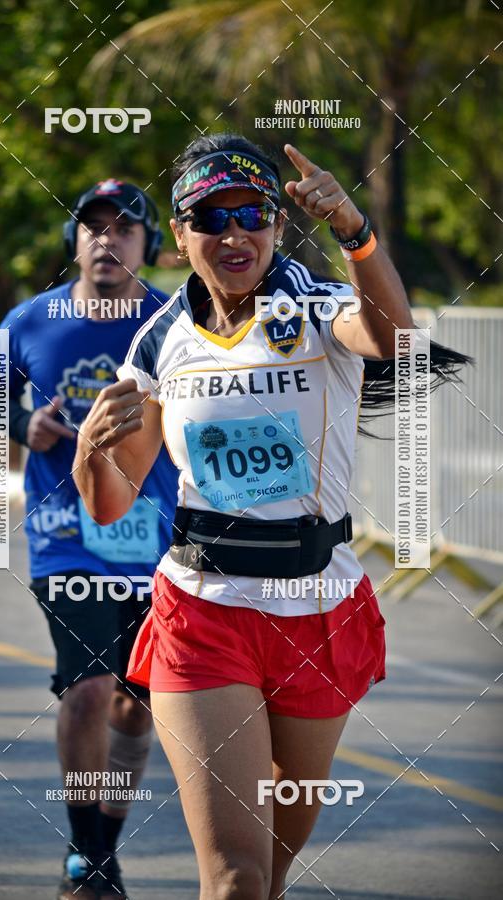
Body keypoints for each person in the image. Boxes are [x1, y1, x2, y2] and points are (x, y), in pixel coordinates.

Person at [73, 135, 470, 900]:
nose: (234, 234)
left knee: (274, 871)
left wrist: (357, 235)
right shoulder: (159, 343)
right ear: (180, 236)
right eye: (210, 218)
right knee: (235, 878)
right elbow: (109, 501)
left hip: (318, 609)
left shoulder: (317, 309)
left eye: (252, 213)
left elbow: (399, 343)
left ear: (277, 226)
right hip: (203, 612)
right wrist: (91, 447)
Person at [0, 179, 177, 900]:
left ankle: (105, 839)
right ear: (75, 241)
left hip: (161, 546)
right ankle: (87, 853)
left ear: (148, 245)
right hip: (67, 538)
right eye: (92, 227)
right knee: (89, 685)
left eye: (124, 228)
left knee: (135, 703)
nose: (106, 239)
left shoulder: (178, 322)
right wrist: (22, 427)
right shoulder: (28, 320)